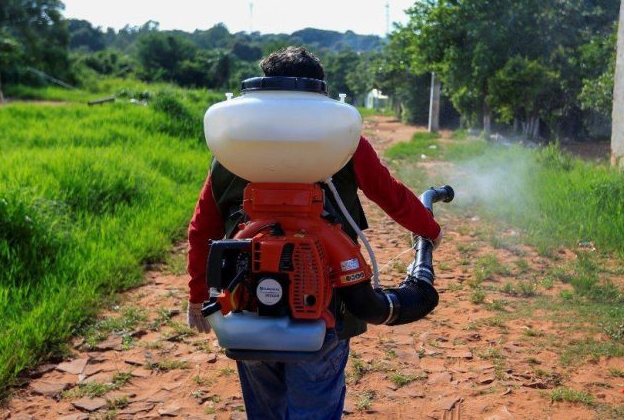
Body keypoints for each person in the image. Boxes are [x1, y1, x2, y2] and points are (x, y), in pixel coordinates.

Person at [186, 46, 442, 419]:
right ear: (319, 89)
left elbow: (202, 228)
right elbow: (389, 194)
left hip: (247, 305)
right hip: (327, 305)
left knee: (264, 408)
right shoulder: (340, 138)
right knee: (315, 404)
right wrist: (429, 229)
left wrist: (198, 295)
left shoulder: (232, 144)